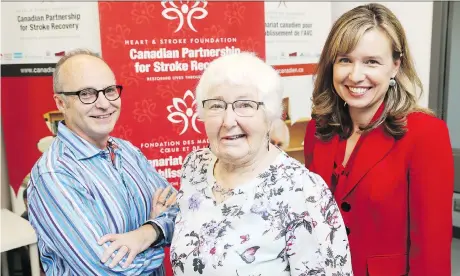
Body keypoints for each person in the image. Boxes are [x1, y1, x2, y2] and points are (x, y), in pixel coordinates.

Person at [303, 3, 454, 276]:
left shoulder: (425, 134)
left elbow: (431, 250)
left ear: (395, 66)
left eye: (371, 61)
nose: (355, 75)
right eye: (345, 59)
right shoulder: (318, 128)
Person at [169, 52, 353, 275]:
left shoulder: (305, 192)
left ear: (270, 115)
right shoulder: (195, 167)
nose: (228, 121)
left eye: (245, 105)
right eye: (216, 106)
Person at [27, 49, 178, 276]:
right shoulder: (54, 175)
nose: (104, 104)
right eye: (87, 94)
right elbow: (109, 271)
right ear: (61, 103)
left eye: (109, 91)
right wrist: (158, 238)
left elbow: (182, 212)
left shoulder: (127, 151)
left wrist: (148, 232)